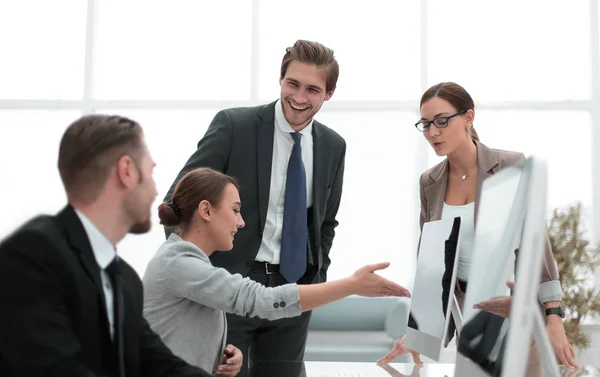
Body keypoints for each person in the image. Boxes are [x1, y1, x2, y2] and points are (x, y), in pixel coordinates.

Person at [164, 40, 346, 376]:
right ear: (280, 80)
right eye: (293, 84)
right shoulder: (235, 126)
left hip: (292, 292)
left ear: (328, 93)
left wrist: (315, 279)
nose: (300, 97)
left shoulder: (333, 146)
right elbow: (179, 200)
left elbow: (325, 223)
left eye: (312, 89)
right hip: (227, 289)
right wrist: (193, 272)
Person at [377, 82, 579, 369]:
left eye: (442, 121)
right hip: (471, 323)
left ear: (468, 118)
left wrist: (554, 316)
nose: (433, 132)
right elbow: (432, 267)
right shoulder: (429, 183)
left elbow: (538, 247)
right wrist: (419, 334)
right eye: (425, 124)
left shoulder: (510, 167)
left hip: (516, 314)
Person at [0, 114, 216, 376]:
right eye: (151, 172)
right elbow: (52, 368)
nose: (155, 190)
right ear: (126, 171)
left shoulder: (124, 280)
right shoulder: (33, 255)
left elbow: (161, 366)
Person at [144, 167, 410, 376]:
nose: (241, 221)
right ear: (206, 210)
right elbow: (261, 300)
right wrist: (351, 285)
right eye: (235, 210)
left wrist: (222, 354)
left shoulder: (189, 261)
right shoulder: (178, 262)